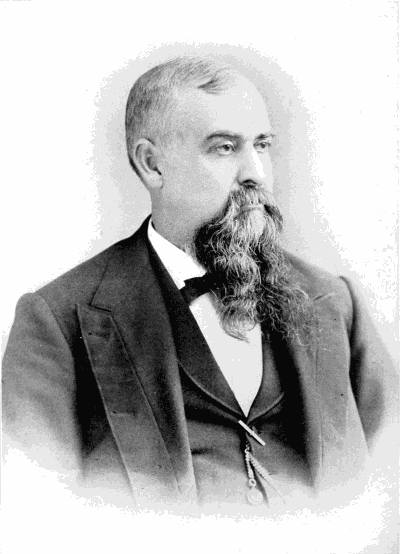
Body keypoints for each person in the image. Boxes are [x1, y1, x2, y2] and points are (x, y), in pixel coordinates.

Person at [2, 56, 396, 513]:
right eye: (225, 148)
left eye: (262, 145)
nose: (256, 173)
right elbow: (40, 510)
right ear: (152, 165)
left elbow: (391, 482)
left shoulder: (333, 301)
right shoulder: (59, 320)